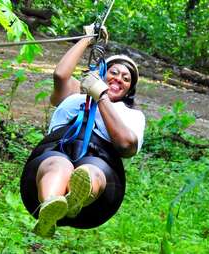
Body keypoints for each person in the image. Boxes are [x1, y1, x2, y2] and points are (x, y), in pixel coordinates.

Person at [20, 24, 145, 237]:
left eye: (126, 79)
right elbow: (60, 75)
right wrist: (87, 38)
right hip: (58, 147)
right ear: (102, 72)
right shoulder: (75, 94)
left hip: (101, 162)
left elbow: (126, 145)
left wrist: (101, 96)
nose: (119, 79)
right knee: (57, 165)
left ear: (128, 90)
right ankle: (51, 205)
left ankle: (78, 197)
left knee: (88, 172)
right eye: (114, 72)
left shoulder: (131, 115)